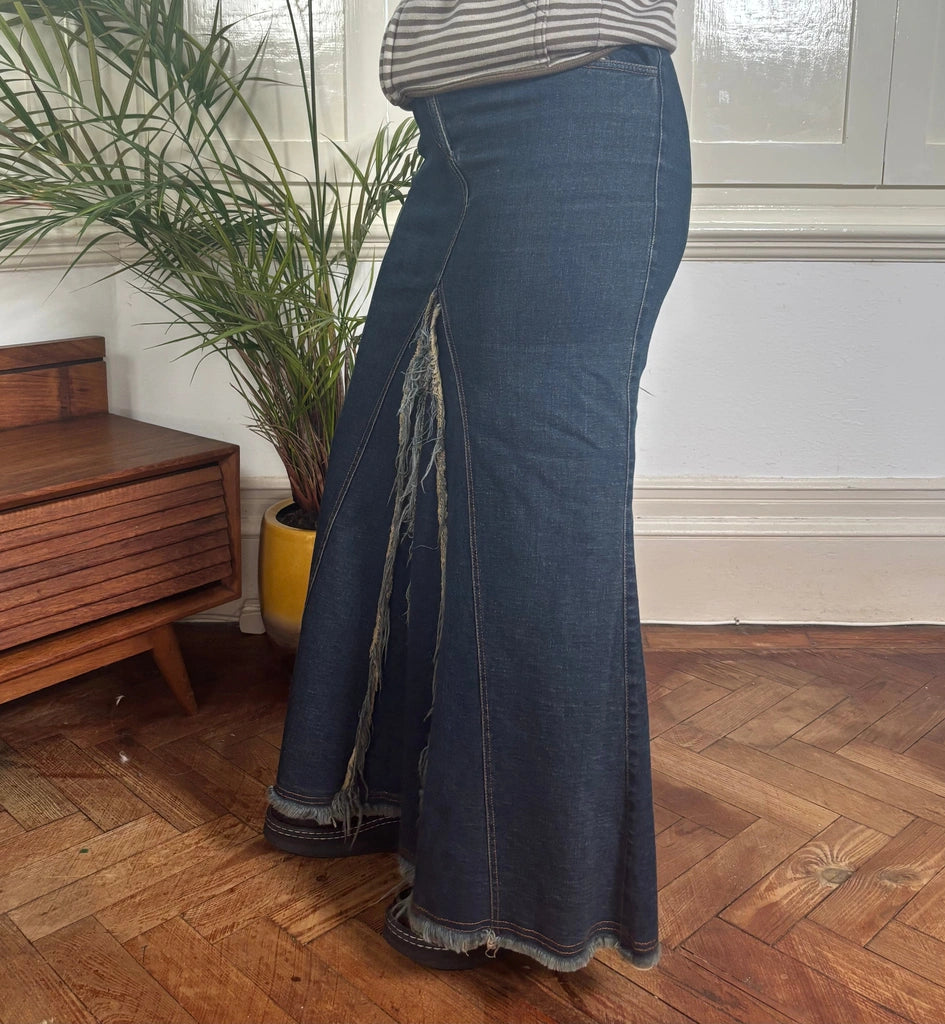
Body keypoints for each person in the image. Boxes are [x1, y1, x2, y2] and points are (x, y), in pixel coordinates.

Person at [264, 0, 691, 972]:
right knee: (391, 450)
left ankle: (508, 896)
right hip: (454, 127)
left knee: (536, 520)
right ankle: (374, 794)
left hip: (575, 108)